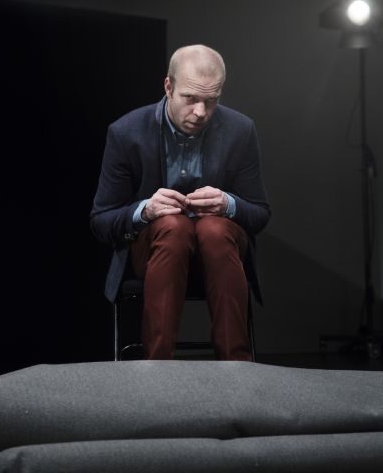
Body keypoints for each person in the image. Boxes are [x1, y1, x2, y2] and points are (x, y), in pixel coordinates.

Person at [90, 44, 271, 361]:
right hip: (156, 252)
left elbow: (259, 214)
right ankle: (158, 367)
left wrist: (228, 203)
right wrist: (145, 210)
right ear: (168, 87)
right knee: (174, 227)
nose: (201, 112)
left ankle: (237, 366)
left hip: (219, 253)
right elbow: (101, 221)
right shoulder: (126, 132)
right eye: (190, 98)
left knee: (214, 228)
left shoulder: (240, 130)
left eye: (211, 101)